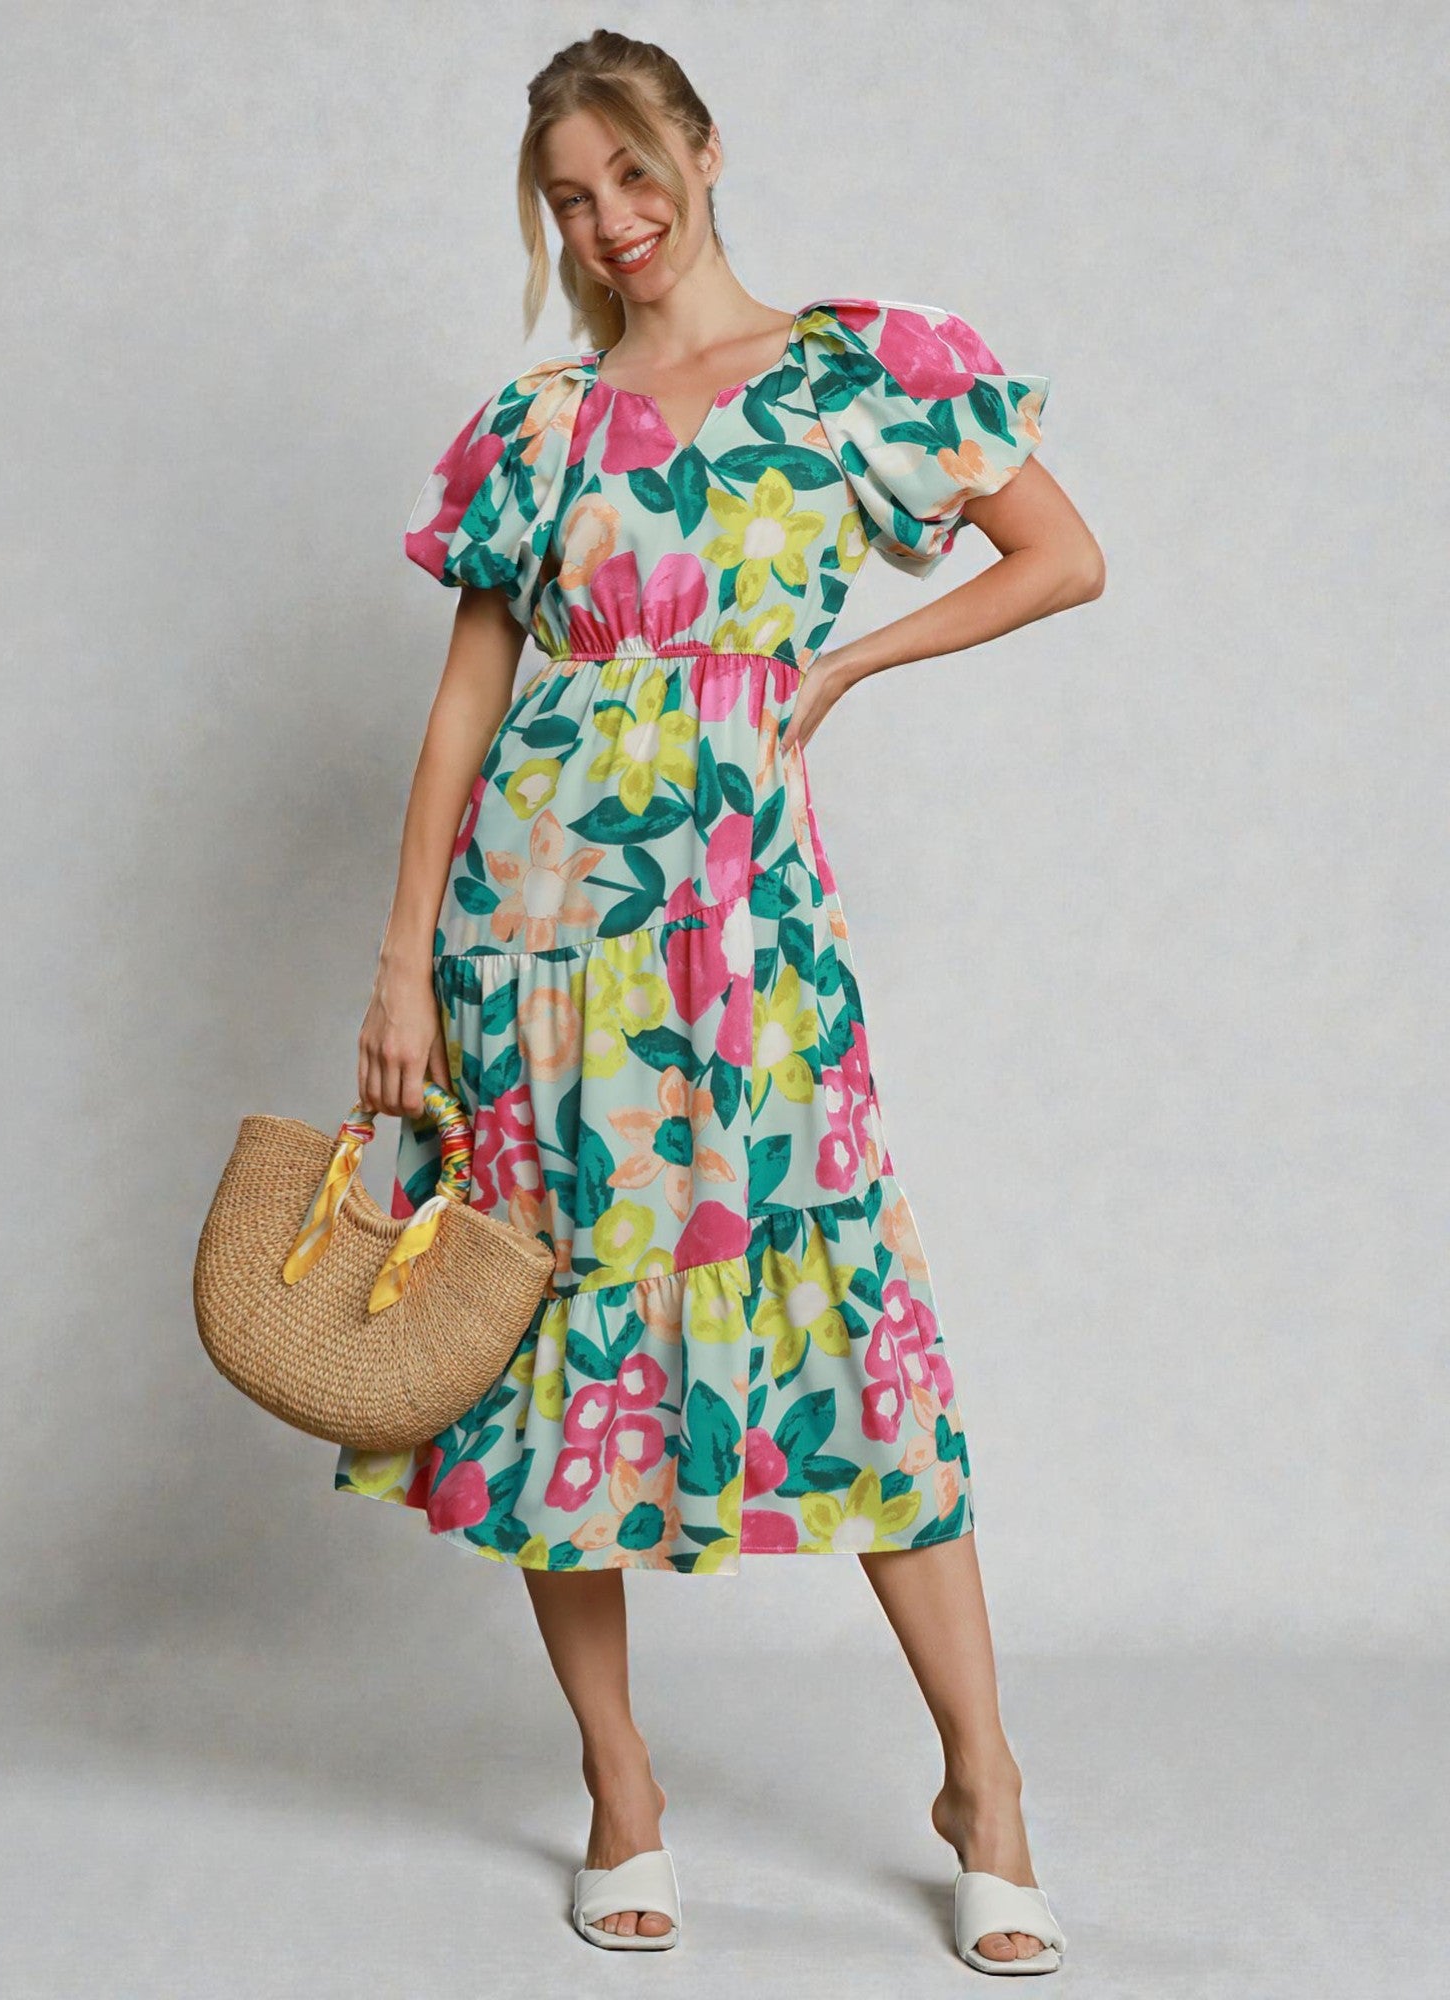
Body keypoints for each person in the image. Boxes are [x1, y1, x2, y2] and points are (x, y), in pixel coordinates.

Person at [338, 26, 1103, 1971]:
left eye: (627, 175)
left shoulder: (856, 374)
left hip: (742, 939)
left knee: (846, 1325)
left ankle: (983, 1785)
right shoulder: (539, 431)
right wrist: (404, 962)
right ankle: (617, 1785)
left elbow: (1058, 553)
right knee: (545, 1350)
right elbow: (461, 710)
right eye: (569, 202)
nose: (607, 224)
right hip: (531, 940)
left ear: (698, 148)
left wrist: (839, 672)